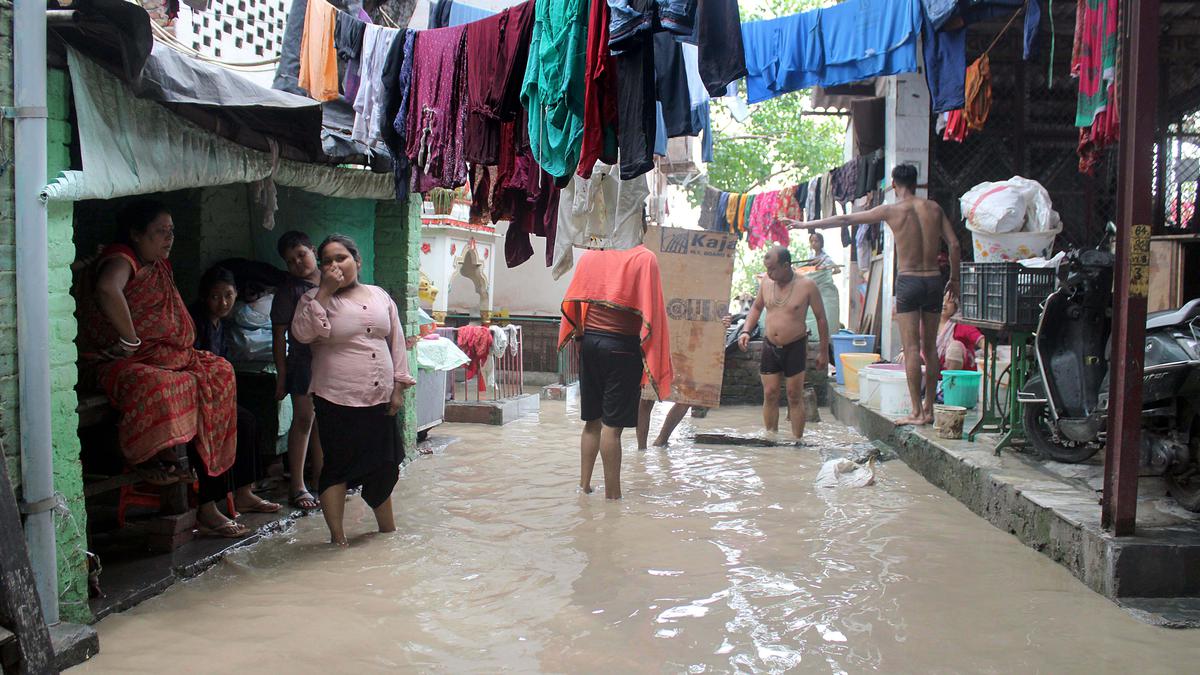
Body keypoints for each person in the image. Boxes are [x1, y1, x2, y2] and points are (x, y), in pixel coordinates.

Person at [78, 200, 241, 536]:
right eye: (159, 232)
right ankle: (157, 461)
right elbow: (108, 289)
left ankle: (208, 505)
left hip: (173, 356)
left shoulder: (157, 263)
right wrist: (130, 340)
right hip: (130, 362)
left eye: (171, 232)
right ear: (136, 235)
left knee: (221, 372)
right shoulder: (122, 258)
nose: (168, 239)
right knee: (164, 387)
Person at [791, 164, 962, 425]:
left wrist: (805, 224)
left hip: (909, 281)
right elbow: (955, 243)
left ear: (894, 184)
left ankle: (916, 412)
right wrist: (955, 279)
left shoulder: (891, 210)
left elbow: (845, 220)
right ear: (916, 183)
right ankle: (928, 409)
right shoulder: (934, 209)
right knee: (930, 347)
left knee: (913, 348)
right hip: (934, 281)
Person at [291, 234, 416, 546]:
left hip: (379, 397)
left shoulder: (380, 296)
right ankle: (338, 539)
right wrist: (324, 293)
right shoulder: (313, 299)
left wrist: (398, 387)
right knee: (338, 467)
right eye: (327, 261)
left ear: (357, 262)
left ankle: (387, 533)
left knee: (384, 465)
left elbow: (396, 342)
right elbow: (303, 333)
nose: (334, 265)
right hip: (337, 396)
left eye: (341, 258)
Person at [559, 246, 673, 500]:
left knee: (592, 423)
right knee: (612, 428)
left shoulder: (591, 255)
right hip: (622, 348)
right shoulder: (644, 258)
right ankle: (613, 498)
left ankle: (584, 487)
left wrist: (581, 338)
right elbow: (652, 311)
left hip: (590, 343)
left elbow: (576, 303)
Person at [190, 266, 282, 520]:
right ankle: (208, 506)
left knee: (248, 422)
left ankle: (244, 492)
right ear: (204, 297)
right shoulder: (195, 320)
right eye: (215, 296)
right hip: (196, 398)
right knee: (224, 427)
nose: (223, 303)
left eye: (228, 296)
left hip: (215, 396)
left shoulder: (221, 324)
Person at [737, 246, 830, 441]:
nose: (768, 274)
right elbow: (756, 307)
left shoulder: (807, 285)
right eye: (767, 269)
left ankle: (798, 441)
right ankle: (771, 438)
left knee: (794, 395)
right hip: (770, 345)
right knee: (770, 393)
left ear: (786, 266)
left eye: (772, 269)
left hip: (795, 346)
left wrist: (824, 352)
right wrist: (745, 330)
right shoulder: (766, 283)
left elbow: (821, 318)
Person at [270, 231, 324, 511]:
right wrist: (282, 376)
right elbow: (279, 338)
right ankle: (297, 487)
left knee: (321, 423)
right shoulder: (289, 291)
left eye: (301, 255)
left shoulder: (332, 281)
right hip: (302, 364)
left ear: (313, 250)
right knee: (303, 421)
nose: (298, 263)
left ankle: (322, 482)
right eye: (291, 261)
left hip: (331, 362)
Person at [637, 315, 733, 449]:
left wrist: (722, 321)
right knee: (647, 396)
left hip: (692, 342)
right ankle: (641, 449)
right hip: (659, 336)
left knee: (687, 396)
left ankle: (661, 441)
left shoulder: (709, 294)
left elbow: (715, 312)